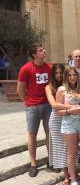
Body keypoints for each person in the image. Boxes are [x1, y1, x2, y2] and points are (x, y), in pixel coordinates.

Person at [17, 43, 52, 177]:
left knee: (50, 133)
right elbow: (20, 89)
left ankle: (51, 160)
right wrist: (27, 102)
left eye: (43, 49)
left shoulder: (49, 67)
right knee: (32, 134)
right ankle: (33, 164)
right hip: (33, 106)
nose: (44, 51)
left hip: (48, 105)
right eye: (40, 50)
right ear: (34, 54)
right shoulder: (26, 69)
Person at [45, 63, 71, 185]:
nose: (59, 75)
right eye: (56, 73)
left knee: (70, 147)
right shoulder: (49, 87)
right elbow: (54, 105)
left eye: (61, 72)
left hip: (69, 118)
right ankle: (66, 176)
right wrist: (73, 107)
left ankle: (72, 172)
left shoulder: (69, 85)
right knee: (61, 148)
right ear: (53, 74)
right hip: (56, 120)